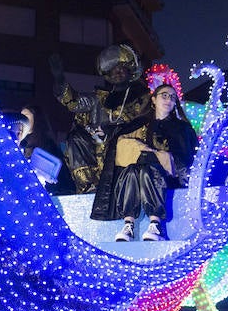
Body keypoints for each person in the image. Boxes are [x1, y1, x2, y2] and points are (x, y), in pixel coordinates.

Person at [104, 66, 199, 242]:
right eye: (164, 95)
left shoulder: (182, 128)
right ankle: (128, 224)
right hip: (139, 172)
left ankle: (156, 224)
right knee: (132, 170)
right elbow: (121, 146)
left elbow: (187, 159)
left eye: (172, 97)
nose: (168, 99)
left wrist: (161, 158)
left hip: (169, 175)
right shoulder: (139, 124)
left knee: (147, 169)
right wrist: (146, 150)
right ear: (153, 99)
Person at [51, 45, 149, 194]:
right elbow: (74, 102)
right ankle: (89, 186)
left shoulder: (143, 98)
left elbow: (143, 123)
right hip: (98, 151)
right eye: (112, 70)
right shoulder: (99, 99)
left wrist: (112, 131)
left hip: (126, 149)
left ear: (130, 70)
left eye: (121, 68)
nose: (117, 72)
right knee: (76, 138)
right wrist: (59, 78)